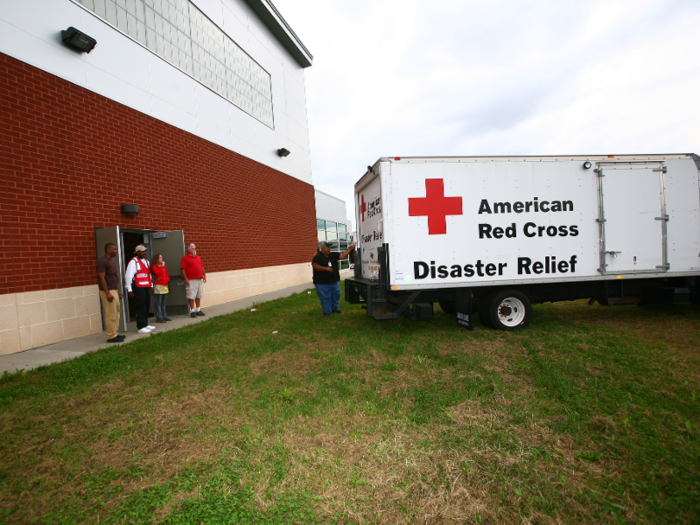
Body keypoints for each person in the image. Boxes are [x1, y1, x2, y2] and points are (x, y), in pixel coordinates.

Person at [312, 241, 355, 316]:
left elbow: (342, 256)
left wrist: (349, 249)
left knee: (336, 295)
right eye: (327, 247)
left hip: (334, 281)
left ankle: (335, 308)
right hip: (321, 283)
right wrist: (325, 268)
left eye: (329, 247)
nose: (329, 249)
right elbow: (315, 266)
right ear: (322, 248)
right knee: (325, 297)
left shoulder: (333, 255)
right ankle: (327, 311)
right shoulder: (318, 256)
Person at [96, 243, 125, 343]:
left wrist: (118, 290)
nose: (116, 251)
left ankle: (115, 333)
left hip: (114, 290)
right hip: (108, 291)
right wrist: (107, 293)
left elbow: (113, 277)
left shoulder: (111, 262)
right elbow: (101, 278)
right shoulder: (103, 261)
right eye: (114, 249)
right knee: (111, 314)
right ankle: (111, 336)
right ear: (108, 250)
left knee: (116, 312)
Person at [125, 245, 156, 334]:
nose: (144, 253)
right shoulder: (133, 262)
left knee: (146, 306)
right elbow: (128, 276)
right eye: (142, 251)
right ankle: (140, 326)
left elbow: (148, 275)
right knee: (140, 306)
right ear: (137, 252)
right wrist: (129, 289)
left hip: (146, 287)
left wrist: (151, 286)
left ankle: (145, 324)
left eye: (145, 251)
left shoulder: (146, 261)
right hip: (138, 287)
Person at [181, 243, 206, 318]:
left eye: (195, 248)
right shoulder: (185, 258)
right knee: (191, 296)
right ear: (188, 250)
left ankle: (198, 310)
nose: (194, 250)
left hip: (199, 279)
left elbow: (202, 266)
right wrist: (186, 278)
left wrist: (204, 275)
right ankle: (192, 311)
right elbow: (183, 269)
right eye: (193, 248)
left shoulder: (198, 257)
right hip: (191, 280)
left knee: (199, 295)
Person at [151, 253, 172, 323]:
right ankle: (159, 317)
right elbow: (158, 273)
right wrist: (162, 266)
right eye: (160, 258)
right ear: (156, 259)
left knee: (163, 302)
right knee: (158, 303)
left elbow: (166, 274)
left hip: (164, 285)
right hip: (158, 286)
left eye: (161, 257)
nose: (161, 259)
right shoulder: (154, 267)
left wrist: (167, 280)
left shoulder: (163, 267)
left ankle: (164, 316)